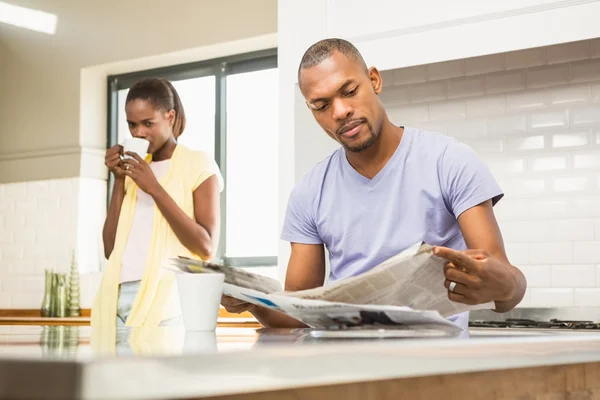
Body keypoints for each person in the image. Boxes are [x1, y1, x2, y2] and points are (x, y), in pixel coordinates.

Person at [222, 38, 526, 330]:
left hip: (437, 365)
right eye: (321, 105)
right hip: (349, 367)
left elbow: (506, 286)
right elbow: (300, 313)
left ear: (375, 81)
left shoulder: (449, 160)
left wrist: (505, 285)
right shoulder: (309, 192)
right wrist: (252, 302)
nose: (340, 112)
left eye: (349, 91)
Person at [92, 78, 223, 338]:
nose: (138, 133)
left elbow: (206, 247)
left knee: (159, 379)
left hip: (169, 302)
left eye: (147, 123)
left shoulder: (198, 164)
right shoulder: (134, 170)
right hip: (116, 301)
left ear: (170, 116)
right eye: (132, 124)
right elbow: (110, 249)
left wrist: (154, 188)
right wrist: (119, 179)